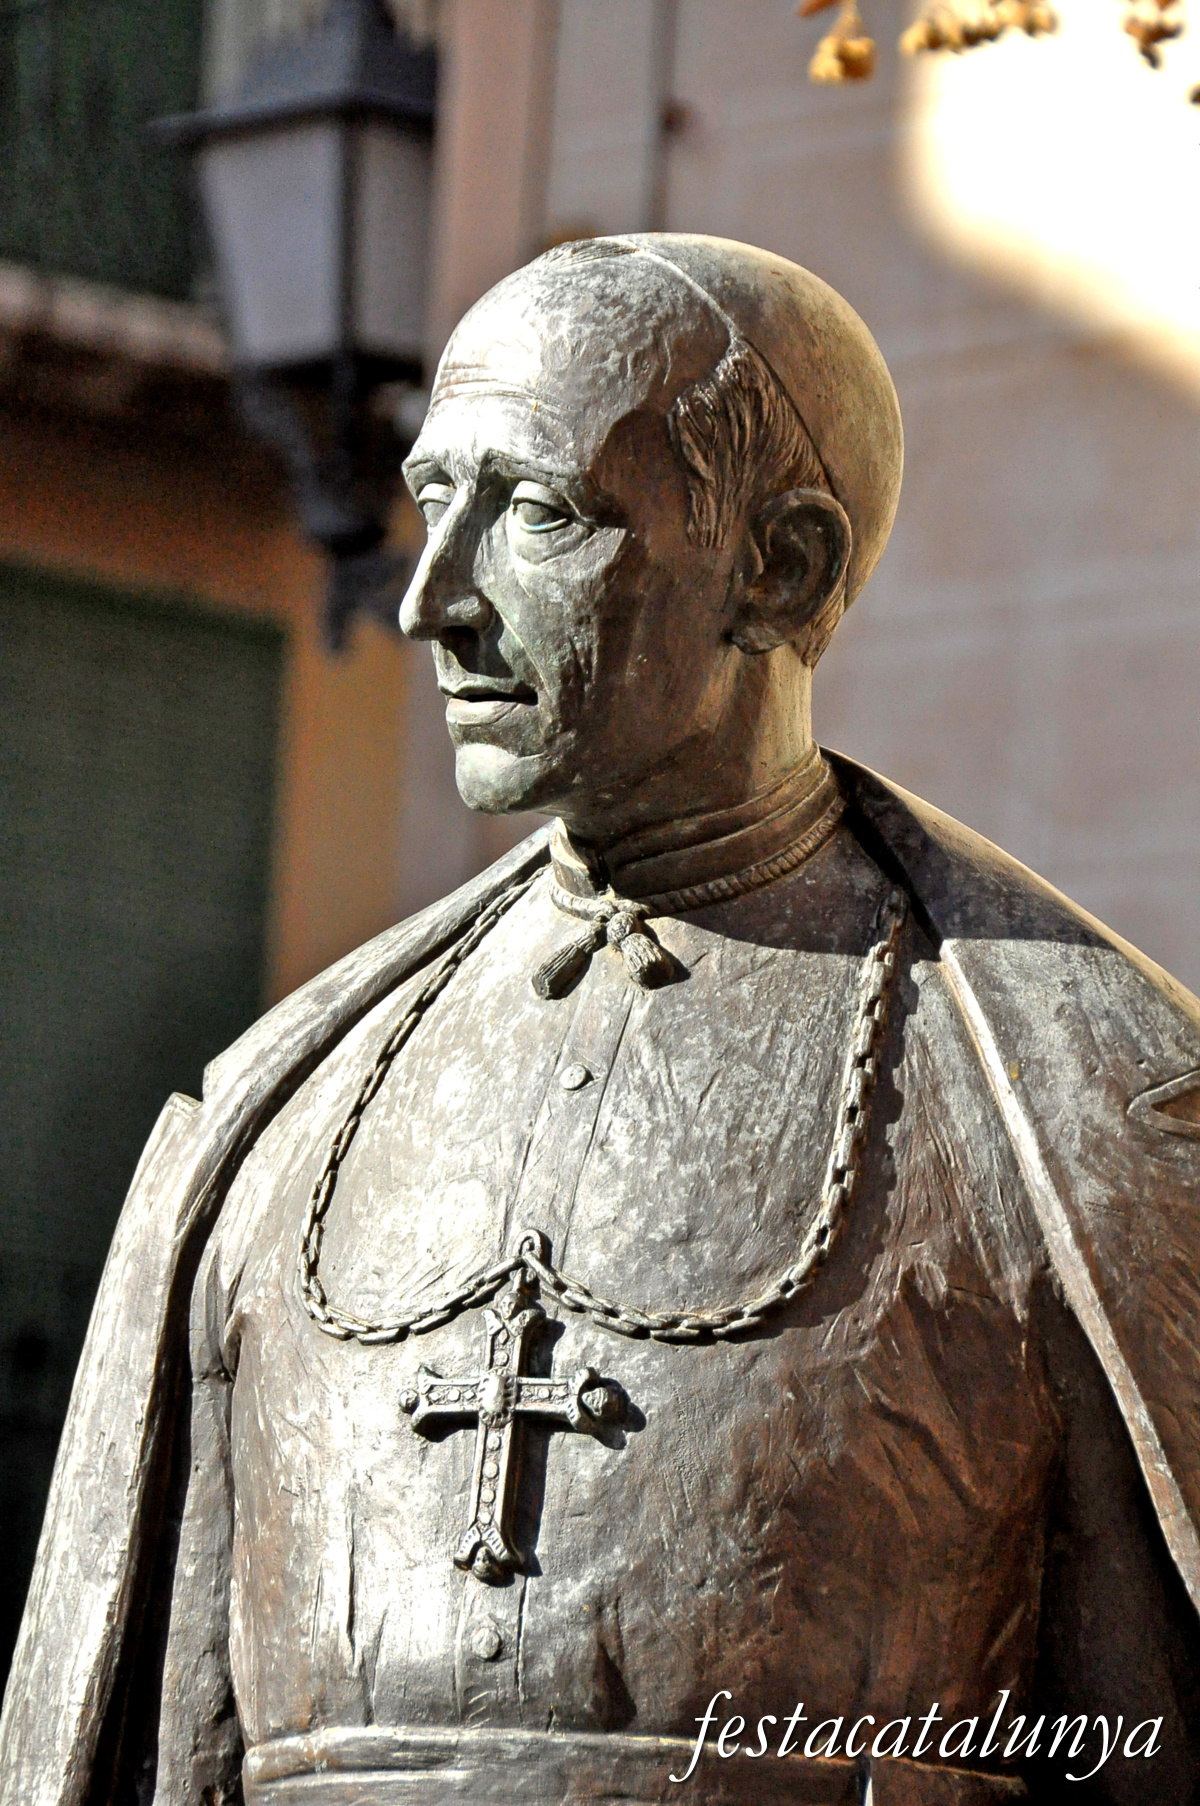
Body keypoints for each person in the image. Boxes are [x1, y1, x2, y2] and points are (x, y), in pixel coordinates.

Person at [4, 236, 1200, 1806]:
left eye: (541, 513)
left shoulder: (1079, 1106)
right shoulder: (270, 1119)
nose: (434, 600)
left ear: (780, 568)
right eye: (434, 500)